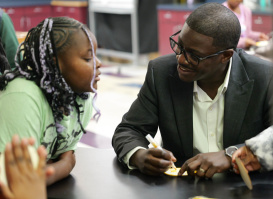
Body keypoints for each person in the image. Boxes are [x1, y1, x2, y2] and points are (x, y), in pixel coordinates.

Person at [112, 3, 273, 178]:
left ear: (226, 56)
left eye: (194, 55)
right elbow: (128, 130)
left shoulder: (263, 76)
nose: (181, 59)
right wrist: (139, 155)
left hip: (243, 187)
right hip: (183, 187)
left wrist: (230, 154)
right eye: (179, 46)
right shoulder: (162, 72)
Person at [0, 17, 101, 185]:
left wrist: (46, 170)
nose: (99, 64)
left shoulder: (81, 100)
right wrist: (65, 166)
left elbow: (58, 157)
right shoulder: (23, 96)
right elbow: (18, 181)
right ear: (55, 62)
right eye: (88, 58)